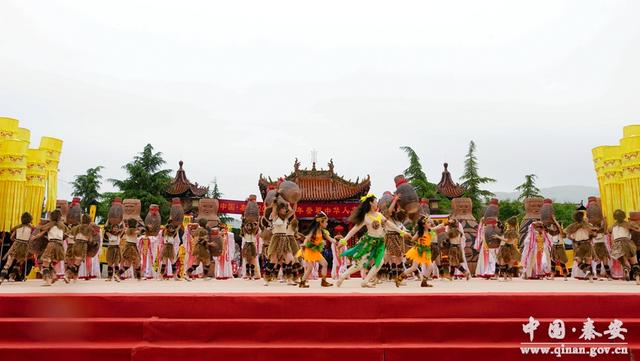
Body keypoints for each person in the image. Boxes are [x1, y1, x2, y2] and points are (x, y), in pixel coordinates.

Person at [337, 194, 402, 288]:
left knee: (380, 263)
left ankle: (365, 281)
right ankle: (342, 276)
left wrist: (401, 232)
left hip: (380, 243)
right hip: (369, 242)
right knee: (361, 265)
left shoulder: (379, 215)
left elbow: (389, 224)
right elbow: (354, 230)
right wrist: (344, 240)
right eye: (376, 202)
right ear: (371, 203)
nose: (377, 204)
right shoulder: (366, 217)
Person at [397, 216, 435, 288]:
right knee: (414, 267)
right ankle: (399, 279)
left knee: (430, 267)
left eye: (430, 222)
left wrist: (445, 224)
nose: (430, 223)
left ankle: (424, 282)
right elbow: (412, 239)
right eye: (428, 222)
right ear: (424, 225)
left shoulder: (431, 231)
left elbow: (438, 227)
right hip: (419, 251)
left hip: (426, 252)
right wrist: (418, 243)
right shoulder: (419, 233)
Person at [299, 212, 334, 288]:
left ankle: (323, 281)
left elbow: (331, 239)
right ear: (321, 222)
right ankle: (302, 283)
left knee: (325, 264)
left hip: (315, 251)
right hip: (308, 250)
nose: (327, 224)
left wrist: (339, 242)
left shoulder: (323, 232)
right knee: (310, 268)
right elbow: (307, 238)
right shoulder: (313, 231)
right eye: (326, 222)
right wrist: (304, 244)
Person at [36, 210, 69, 285]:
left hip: (51, 244)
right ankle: (53, 275)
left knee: (45, 263)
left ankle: (48, 280)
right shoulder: (62, 225)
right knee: (50, 262)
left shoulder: (50, 224)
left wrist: (35, 237)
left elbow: (41, 229)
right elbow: (67, 234)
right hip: (60, 245)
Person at [0, 212, 34, 284]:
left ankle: (1, 277)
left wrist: (17, 241)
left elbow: (11, 237)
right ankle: (12, 276)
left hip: (16, 244)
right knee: (19, 262)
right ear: (30, 219)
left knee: (8, 262)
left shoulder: (17, 227)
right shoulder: (32, 227)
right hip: (25, 245)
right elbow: (31, 238)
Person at [609, 209, 640, 284]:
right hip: (627, 243)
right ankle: (637, 279)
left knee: (624, 261)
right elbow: (638, 229)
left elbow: (611, 236)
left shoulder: (612, 226)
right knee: (634, 262)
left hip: (617, 244)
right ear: (624, 216)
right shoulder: (628, 224)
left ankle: (626, 268)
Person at [565, 211, 596, 282]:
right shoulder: (588, 225)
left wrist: (573, 239)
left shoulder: (572, 226)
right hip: (588, 244)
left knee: (578, 260)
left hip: (579, 245)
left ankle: (586, 271)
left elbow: (568, 235)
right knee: (588, 260)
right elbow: (594, 234)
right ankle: (590, 278)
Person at [493, 217, 521, 281]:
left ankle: (506, 277)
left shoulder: (512, 232)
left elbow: (508, 241)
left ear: (511, 224)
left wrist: (498, 237)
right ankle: (508, 277)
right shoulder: (511, 231)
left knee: (504, 262)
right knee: (508, 263)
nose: (507, 225)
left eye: (508, 224)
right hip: (508, 247)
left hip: (507, 247)